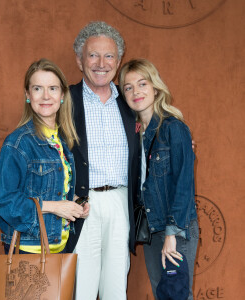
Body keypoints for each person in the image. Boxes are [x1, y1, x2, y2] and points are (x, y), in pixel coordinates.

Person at [65, 22, 139, 300]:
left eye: (109, 56)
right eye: (92, 55)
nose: (100, 63)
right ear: (79, 60)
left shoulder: (131, 100)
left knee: (116, 288)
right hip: (82, 205)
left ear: (118, 62)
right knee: (81, 289)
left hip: (122, 202)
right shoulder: (65, 99)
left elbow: (156, 135)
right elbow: (38, 128)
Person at [118, 58, 199, 300]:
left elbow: (184, 185)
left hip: (176, 226)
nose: (136, 91)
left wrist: (172, 235)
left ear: (155, 87)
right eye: (128, 87)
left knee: (177, 295)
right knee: (162, 294)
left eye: (142, 83)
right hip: (152, 229)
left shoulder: (174, 128)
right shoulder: (132, 134)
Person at [0, 58, 89, 255]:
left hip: (61, 246)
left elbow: (47, 188)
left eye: (53, 88)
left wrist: (73, 202)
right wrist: (55, 207)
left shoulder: (61, 140)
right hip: (30, 248)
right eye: (38, 88)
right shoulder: (19, 142)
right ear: (28, 95)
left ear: (62, 95)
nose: (46, 96)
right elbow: (4, 202)